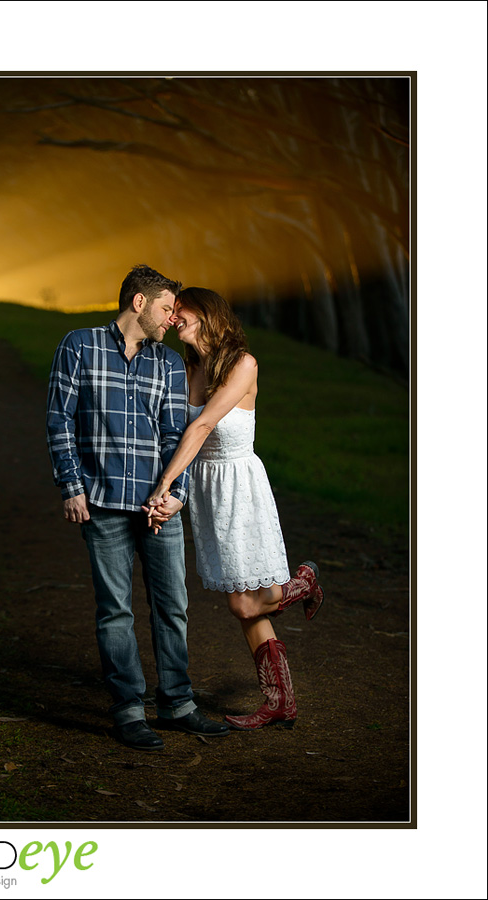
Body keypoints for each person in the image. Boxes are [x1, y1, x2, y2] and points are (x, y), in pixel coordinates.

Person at [46, 265, 229, 751]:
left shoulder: (169, 364)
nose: (173, 318)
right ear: (140, 303)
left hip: (157, 508)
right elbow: (59, 419)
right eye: (168, 308)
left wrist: (176, 494)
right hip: (101, 504)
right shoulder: (79, 345)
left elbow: (177, 436)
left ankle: (178, 703)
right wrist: (71, 486)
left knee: (173, 607)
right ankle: (129, 709)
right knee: (115, 612)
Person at [144, 287, 324, 730]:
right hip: (207, 491)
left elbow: (204, 425)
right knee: (243, 603)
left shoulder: (243, 364)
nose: (172, 318)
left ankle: (301, 582)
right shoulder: (186, 368)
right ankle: (280, 702)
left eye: (179, 309)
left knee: (245, 605)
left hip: (240, 489)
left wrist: (165, 483)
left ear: (204, 312)